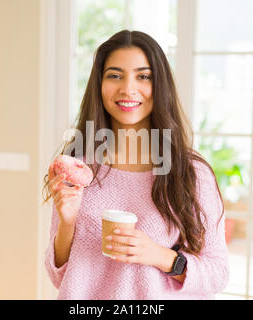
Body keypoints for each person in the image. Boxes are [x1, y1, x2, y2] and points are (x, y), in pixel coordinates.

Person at [42, 30, 229, 300]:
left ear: (160, 85)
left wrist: (160, 256)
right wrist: (68, 222)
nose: (128, 88)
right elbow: (57, 275)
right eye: (115, 75)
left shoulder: (190, 173)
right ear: (99, 84)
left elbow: (218, 272)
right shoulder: (78, 167)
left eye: (143, 76)